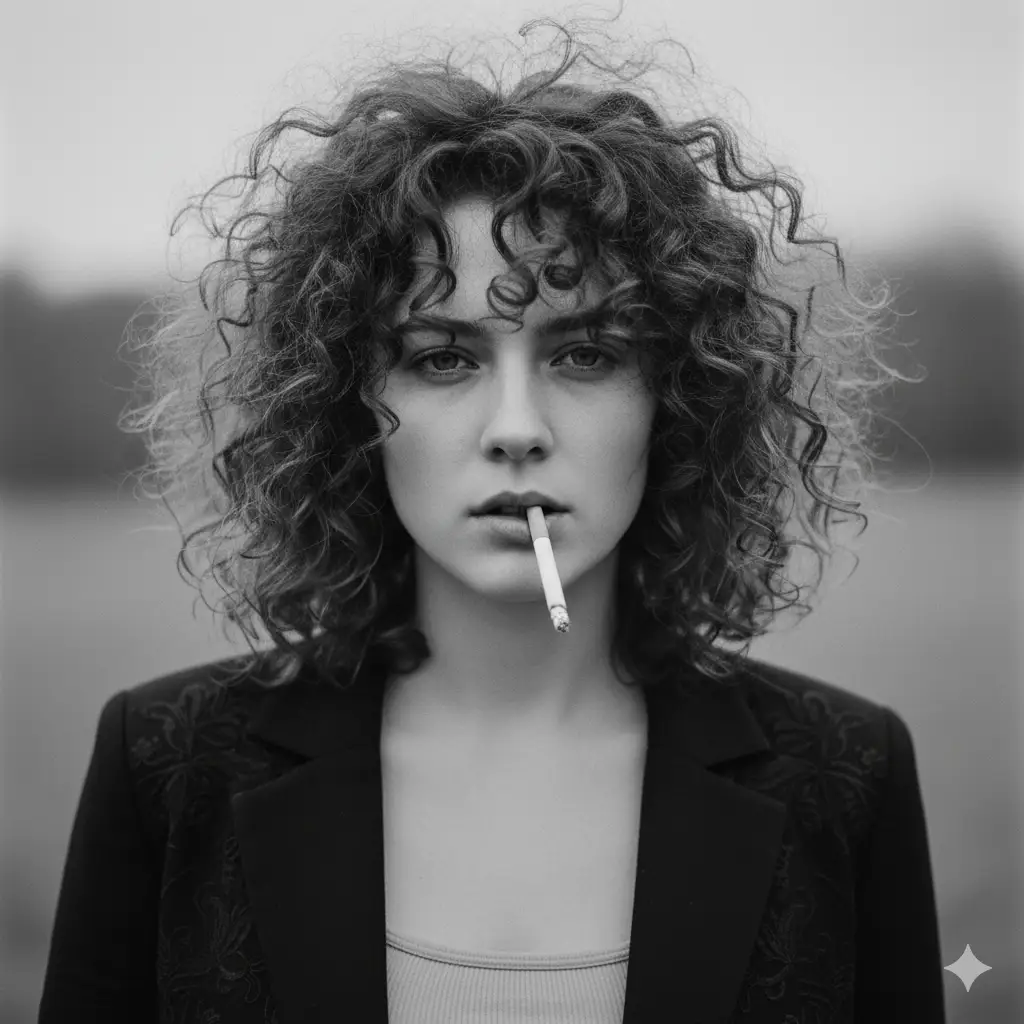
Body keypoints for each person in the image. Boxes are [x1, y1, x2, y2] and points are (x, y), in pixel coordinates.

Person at [38, 9, 946, 1023]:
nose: (516, 429)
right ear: (342, 405)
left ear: (681, 396)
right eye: (441, 358)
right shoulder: (166, 764)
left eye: (586, 353)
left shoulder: (845, 772)